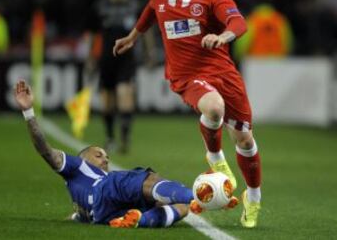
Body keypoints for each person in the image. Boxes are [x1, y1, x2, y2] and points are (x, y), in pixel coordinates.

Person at [113, 0, 262, 228]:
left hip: (222, 71)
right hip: (186, 75)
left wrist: (222, 37)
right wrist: (133, 36)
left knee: (245, 139)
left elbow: (239, 23)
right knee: (214, 108)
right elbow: (151, 11)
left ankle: (253, 198)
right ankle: (215, 156)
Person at [14, 79, 204, 228]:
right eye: (98, 155)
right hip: (105, 189)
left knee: (181, 207)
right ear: (82, 159)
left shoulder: (81, 209)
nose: (105, 158)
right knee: (149, 179)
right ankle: (199, 195)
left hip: (107, 216)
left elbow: (75, 217)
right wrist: (28, 112)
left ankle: (142, 220)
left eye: (105, 156)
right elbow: (44, 150)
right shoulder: (77, 167)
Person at [85, 0, 155, 154]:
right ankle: (110, 137)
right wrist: (90, 58)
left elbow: (145, 31)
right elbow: (92, 35)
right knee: (107, 102)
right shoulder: (99, 7)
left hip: (127, 60)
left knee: (125, 96)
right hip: (106, 60)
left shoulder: (135, 5)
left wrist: (150, 53)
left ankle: (124, 139)